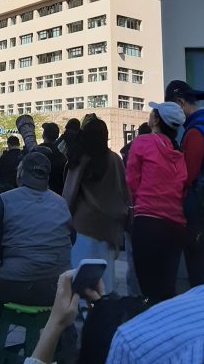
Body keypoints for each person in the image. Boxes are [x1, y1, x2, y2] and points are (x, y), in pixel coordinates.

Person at [24, 141, 204, 364]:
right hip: (136, 226)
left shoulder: (139, 338)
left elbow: (125, 184)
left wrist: (55, 324)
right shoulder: (121, 159)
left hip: (121, 225)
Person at [0, 152, 72, 358]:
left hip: (16, 285)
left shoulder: (5, 200)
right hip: (55, 287)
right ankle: (63, 348)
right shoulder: (61, 203)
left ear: (21, 173)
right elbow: (72, 239)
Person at [126, 101, 187, 304]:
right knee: (167, 288)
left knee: (148, 289)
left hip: (148, 222)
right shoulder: (178, 154)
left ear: (157, 119)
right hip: (175, 226)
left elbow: (131, 180)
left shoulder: (143, 142)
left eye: (153, 112)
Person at [62, 116, 129, 296]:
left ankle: (80, 312)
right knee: (105, 278)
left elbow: (70, 193)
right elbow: (124, 191)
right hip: (109, 227)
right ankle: (103, 313)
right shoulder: (115, 159)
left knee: (79, 276)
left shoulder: (80, 158)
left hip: (84, 225)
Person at [165, 78, 204, 286]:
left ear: (180, 102)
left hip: (196, 212)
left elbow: (187, 177)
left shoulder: (195, 133)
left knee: (199, 272)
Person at [120, 122, 151, 298]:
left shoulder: (126, 152)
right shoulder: (156, 152)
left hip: (132, 210)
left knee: (132, 259)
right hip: (148, 211)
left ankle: (134, 296)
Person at [39, 122, 66, 195]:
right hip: (56, 195)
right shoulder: (62, 158)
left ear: (43, 135)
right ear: (57, 136)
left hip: (36, 195)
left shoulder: (35, 153)